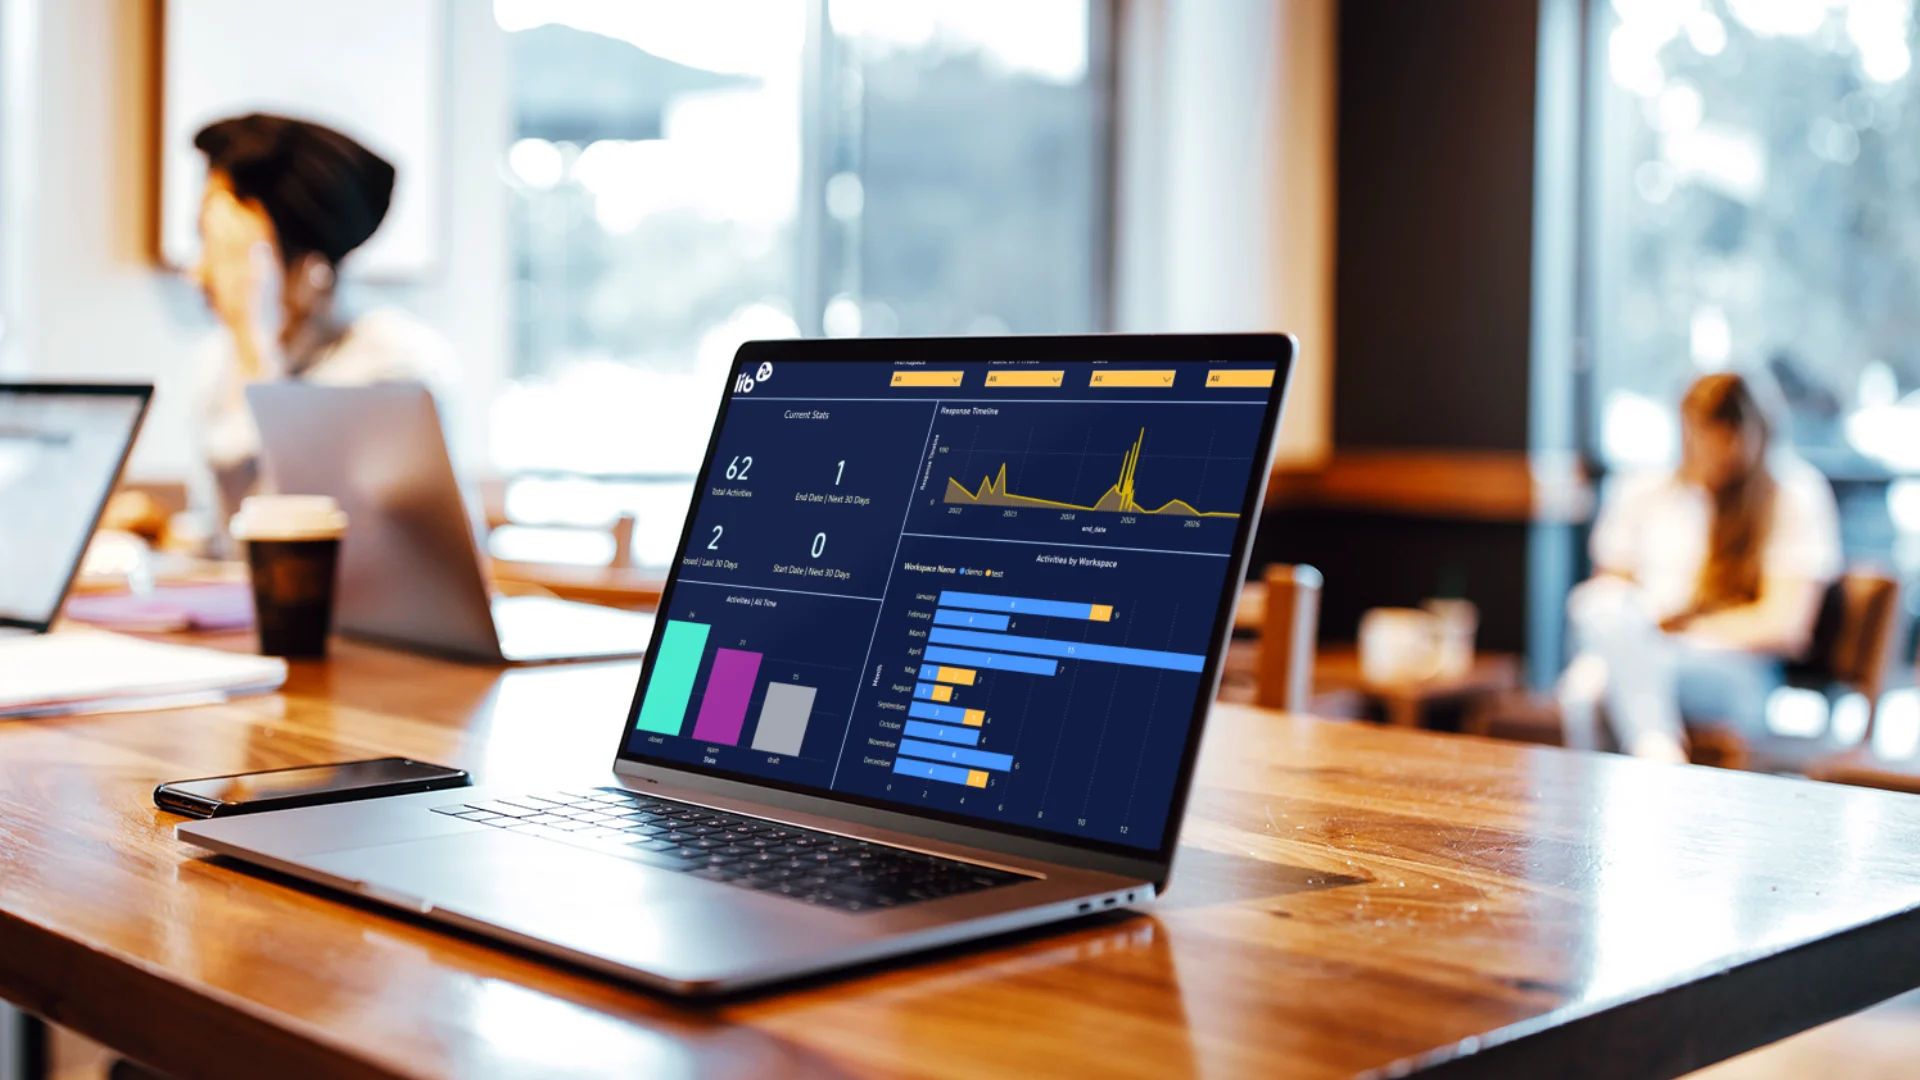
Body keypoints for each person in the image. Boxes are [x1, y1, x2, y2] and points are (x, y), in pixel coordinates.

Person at [1559, 372, 1843, 762]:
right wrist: (1644, 633)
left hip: (1736, 670)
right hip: (1645, 649)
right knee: (1597, 609)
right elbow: (1611, 599)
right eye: (1701, 436)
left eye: (1724, 437)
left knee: (1589, 687)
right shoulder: (1647, 492)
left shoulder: (1792, 494)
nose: (1711, 452)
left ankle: (1651, 752)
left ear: (1755, 434)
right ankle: (1655, 748)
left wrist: (1674, 630)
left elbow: (1784, 627)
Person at [190, 113, 453, 516]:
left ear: (311, 274)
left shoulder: (393, 370)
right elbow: (221, 534)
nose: (199, 273)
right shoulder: (216, 364)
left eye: (227, 250)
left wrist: (252, 347)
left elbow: (278, 529)